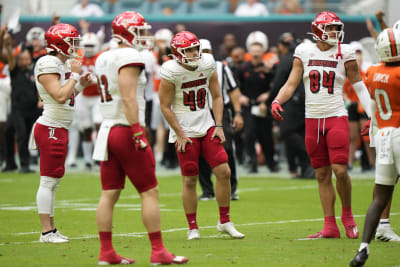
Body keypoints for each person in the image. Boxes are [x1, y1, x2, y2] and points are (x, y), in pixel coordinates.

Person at [92, 11, 188, 265]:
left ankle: (106, 252)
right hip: (125, 129)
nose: (146, 35)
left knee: (109, 194)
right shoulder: (130, 56)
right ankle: (158, 252)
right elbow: (127, 97)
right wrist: (137, 130)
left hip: (107, 130)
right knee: (149, 191)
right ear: (128, 32)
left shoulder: (103, 56)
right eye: (141, 30)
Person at [271, 11, 372, 239]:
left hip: (336, 116)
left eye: (338, 28)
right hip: (312, 120)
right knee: (322, 174)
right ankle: (330, 226)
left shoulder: (344, 51)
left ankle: (347, 216)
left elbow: (358, 85)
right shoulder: (304, 51)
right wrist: (277, 100)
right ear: (318, 31)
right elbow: (291, 82)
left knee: (341, 171)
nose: (336, 32)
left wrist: (372, 115)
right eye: (331, 28)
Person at [158, 31, 245, 240]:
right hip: (185, 130)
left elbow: (217, 95)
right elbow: (165, 106)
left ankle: (224, 221)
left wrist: (219, 125)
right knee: (190, 178)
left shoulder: (207, 62)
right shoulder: (171, 71)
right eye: (188, 49)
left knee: (224, 171)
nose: (194, 53)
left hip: (206, 125)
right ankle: (193, 227)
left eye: (195, 48)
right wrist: (179, 133)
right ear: (178, 53)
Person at [32, 23, 93, 243]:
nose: (76, 47)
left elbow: (66, 94)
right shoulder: (48, 62)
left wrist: (80, 85)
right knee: (48, 181)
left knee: (54, 180)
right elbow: (58, 96)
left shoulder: (59, 63)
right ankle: (46, 232)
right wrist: (75, 76)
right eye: (73, 42)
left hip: (58, 127)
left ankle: (51, 228)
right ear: (60, 43)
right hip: (50, 127)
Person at [350, 27, 400, 267]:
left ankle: (363, 249)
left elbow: (374, 105)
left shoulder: (371, 72)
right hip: (399, 133)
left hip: (383, 135)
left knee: (379, 198)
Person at [197, 39, 244, 201]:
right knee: (200, 151)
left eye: (207, 52)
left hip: (220, 111)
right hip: (199, 112)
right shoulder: (189, 67)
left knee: (227, 149)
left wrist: (238, 113)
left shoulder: (221, 66)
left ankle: (231, 188)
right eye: (201, 52)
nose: (204, 55)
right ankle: (207, 190)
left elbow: (233, 90)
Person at [267, 32, 314, 179]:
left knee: (286, 131)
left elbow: (278, 84)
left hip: (296, 99)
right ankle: (307, 168)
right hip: (307, 98)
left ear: (281, 46)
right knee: (300, 133)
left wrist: (269, 101)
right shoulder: (303, 58)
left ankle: (311, 160)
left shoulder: (288, 59)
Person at [237, 37, 279, 174]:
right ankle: (252, 162)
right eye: (253, 51)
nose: (255, 53)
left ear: (262, 52)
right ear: (249, 51)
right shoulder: (243, 68)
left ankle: (271, 162)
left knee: (266, 135)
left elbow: (275, 86)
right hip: (248, 106)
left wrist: (267, 97)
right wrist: (240, 96)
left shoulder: (268, 70)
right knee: (249, 134)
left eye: (258, 51)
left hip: (263, 107)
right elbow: (235, 86)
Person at [75, 32, 103, 169]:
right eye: (87, 45)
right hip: (83, 97)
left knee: (99, 126)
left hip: (97, 96)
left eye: (92, 45)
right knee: (86, 128)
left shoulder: (101, 58)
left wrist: (94, 80)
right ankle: (87, 159)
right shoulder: (78, 58)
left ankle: (98, 157)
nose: (89, 48)